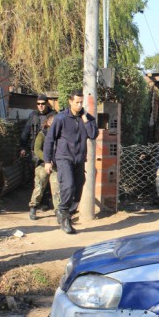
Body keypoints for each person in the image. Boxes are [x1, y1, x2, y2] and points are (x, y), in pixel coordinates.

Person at [43, 90, 98, 234]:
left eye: (81, 102)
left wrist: (85, 120)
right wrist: (47, 160)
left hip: (79, 159)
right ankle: (63, 213)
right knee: (68, 185)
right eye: (77, 102)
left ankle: (67, 213)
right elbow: (49, 139)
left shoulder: (87, 118)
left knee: (78, 188)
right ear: (70, 101)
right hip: (64, 158)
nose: (79, 105)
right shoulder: (61, 118)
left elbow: (93, 134)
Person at [20, 94, 53, 219]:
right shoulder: (33, 115)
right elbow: (26, 131)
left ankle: (45, 202)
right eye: (38, 104)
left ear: (47, 104)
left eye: (42, 104)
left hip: (51, 152)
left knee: (50, 179)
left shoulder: (53, 115)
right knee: (38, 179)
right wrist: (23, 147)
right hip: (36, 151)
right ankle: (35, 204)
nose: (40, 106)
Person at [28, 113, 60, 220]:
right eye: (52, 121)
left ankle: (58, 211)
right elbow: (37, 150)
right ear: (47, 122)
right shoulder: (42, 134)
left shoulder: (60, 134)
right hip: (42, 165)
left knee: (56, 189)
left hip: (56, 166)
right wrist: (47, 160)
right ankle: (33, 207)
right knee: (39, 187)